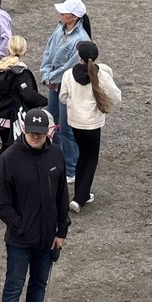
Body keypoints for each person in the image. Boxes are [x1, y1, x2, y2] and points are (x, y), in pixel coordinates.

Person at [0, 108, 70, 302]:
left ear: (47, 132)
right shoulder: (9, 159)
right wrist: (22, 225)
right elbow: (1, 205)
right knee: (13, 288)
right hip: (19, 240)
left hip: (46, 239)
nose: (36, 137)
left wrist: (61, 231)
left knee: (39, 285)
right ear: (24, 130)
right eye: (32, 133)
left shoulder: (56, 154)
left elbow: (61, 196)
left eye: (40, 133)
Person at [59, 40, 121, 211]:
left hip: (76, 122)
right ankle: (80, 197)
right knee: (91, 158)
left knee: (82, 156)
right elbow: (117, 96)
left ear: (79, 56)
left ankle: (81, 193)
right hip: (93, 124)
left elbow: (63, 97)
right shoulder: (102, 76)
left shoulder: (68, 75)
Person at [40, 0, 92, 184]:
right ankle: (57, 158)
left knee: (65, 128)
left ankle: (71, 168)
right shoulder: (60, 28)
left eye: (65, 12)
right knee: (52, 122)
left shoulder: (81, 40)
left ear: (75, 16)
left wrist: (48, 75)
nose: (61, 14)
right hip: (55, 83)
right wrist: (46, 72)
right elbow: (48, 50)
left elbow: (68, 69)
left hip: (65, 86)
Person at [0, 37, 47, 151]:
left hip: (0, 113)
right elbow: (28, 95)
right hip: (15, 116)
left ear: (8, 50)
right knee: (17, 149)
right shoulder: (21, 73)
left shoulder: (0, 68)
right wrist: (44, 100)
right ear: (24, 51)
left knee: (6, 146)